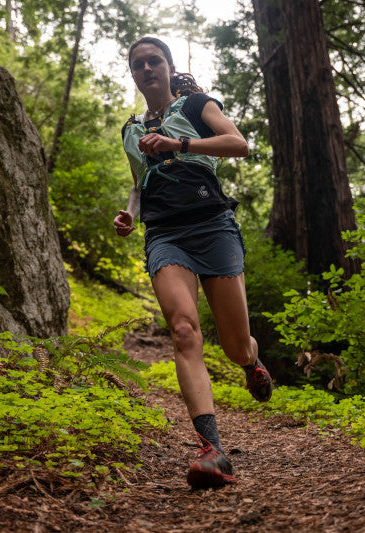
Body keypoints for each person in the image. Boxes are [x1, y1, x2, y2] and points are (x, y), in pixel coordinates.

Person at [113, 36, 273, 490]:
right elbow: (139, 187)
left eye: (154, 61)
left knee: (235, 345)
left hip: (213, 226)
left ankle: (251, 363)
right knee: (183, 329)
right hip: (165, 235)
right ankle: (212, 449)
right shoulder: (130, 130)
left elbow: (238, 145)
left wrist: (179, 145)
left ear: (167, 67)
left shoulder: (198, 104)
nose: (147, 69)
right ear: (133, 74)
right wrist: (130, 215)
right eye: (138, 64)